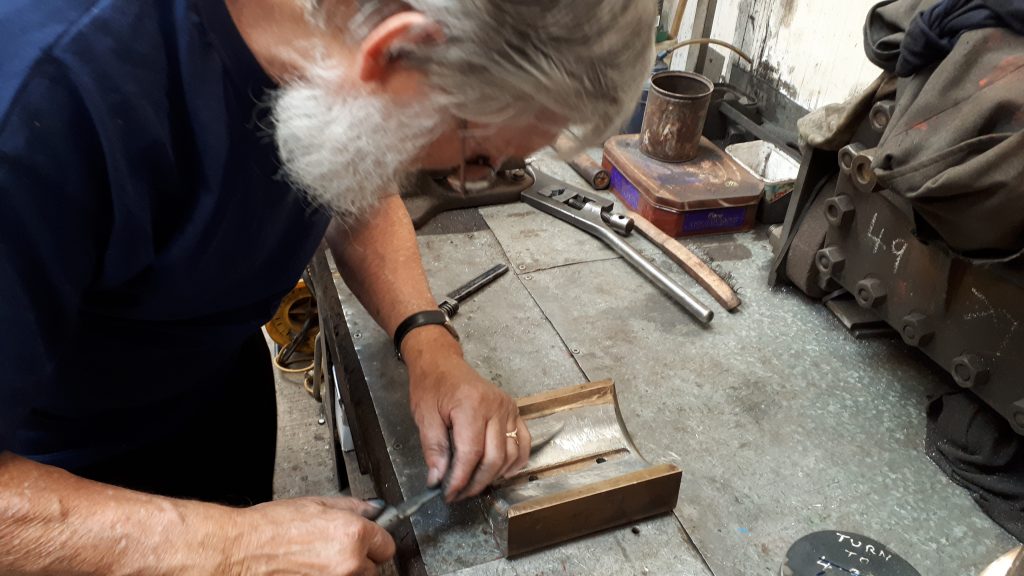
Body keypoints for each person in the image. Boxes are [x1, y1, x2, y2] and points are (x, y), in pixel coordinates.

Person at [0, 0, 655, 573]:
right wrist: (229, 550)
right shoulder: (41, 100)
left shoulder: (326, 38)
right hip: (58, 499)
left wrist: (428, 341)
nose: (468, 182)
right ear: (395, 49)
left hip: (208, 405)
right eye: (475, 157)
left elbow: (358, 168)